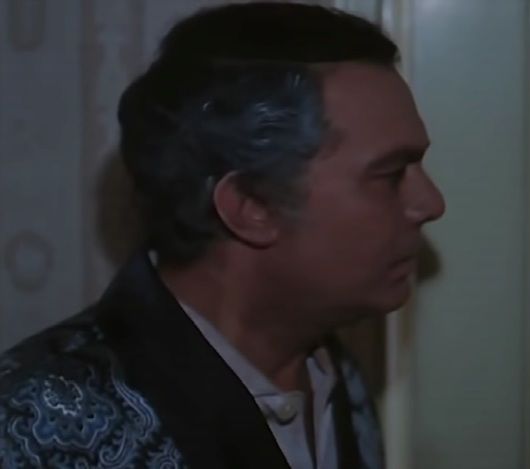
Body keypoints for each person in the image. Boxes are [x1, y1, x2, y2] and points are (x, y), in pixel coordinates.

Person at [0, 3, 445, 468]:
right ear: (252, 205)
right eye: (391, 174)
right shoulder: (34, 424)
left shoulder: (339, 380)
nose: (431, 203)